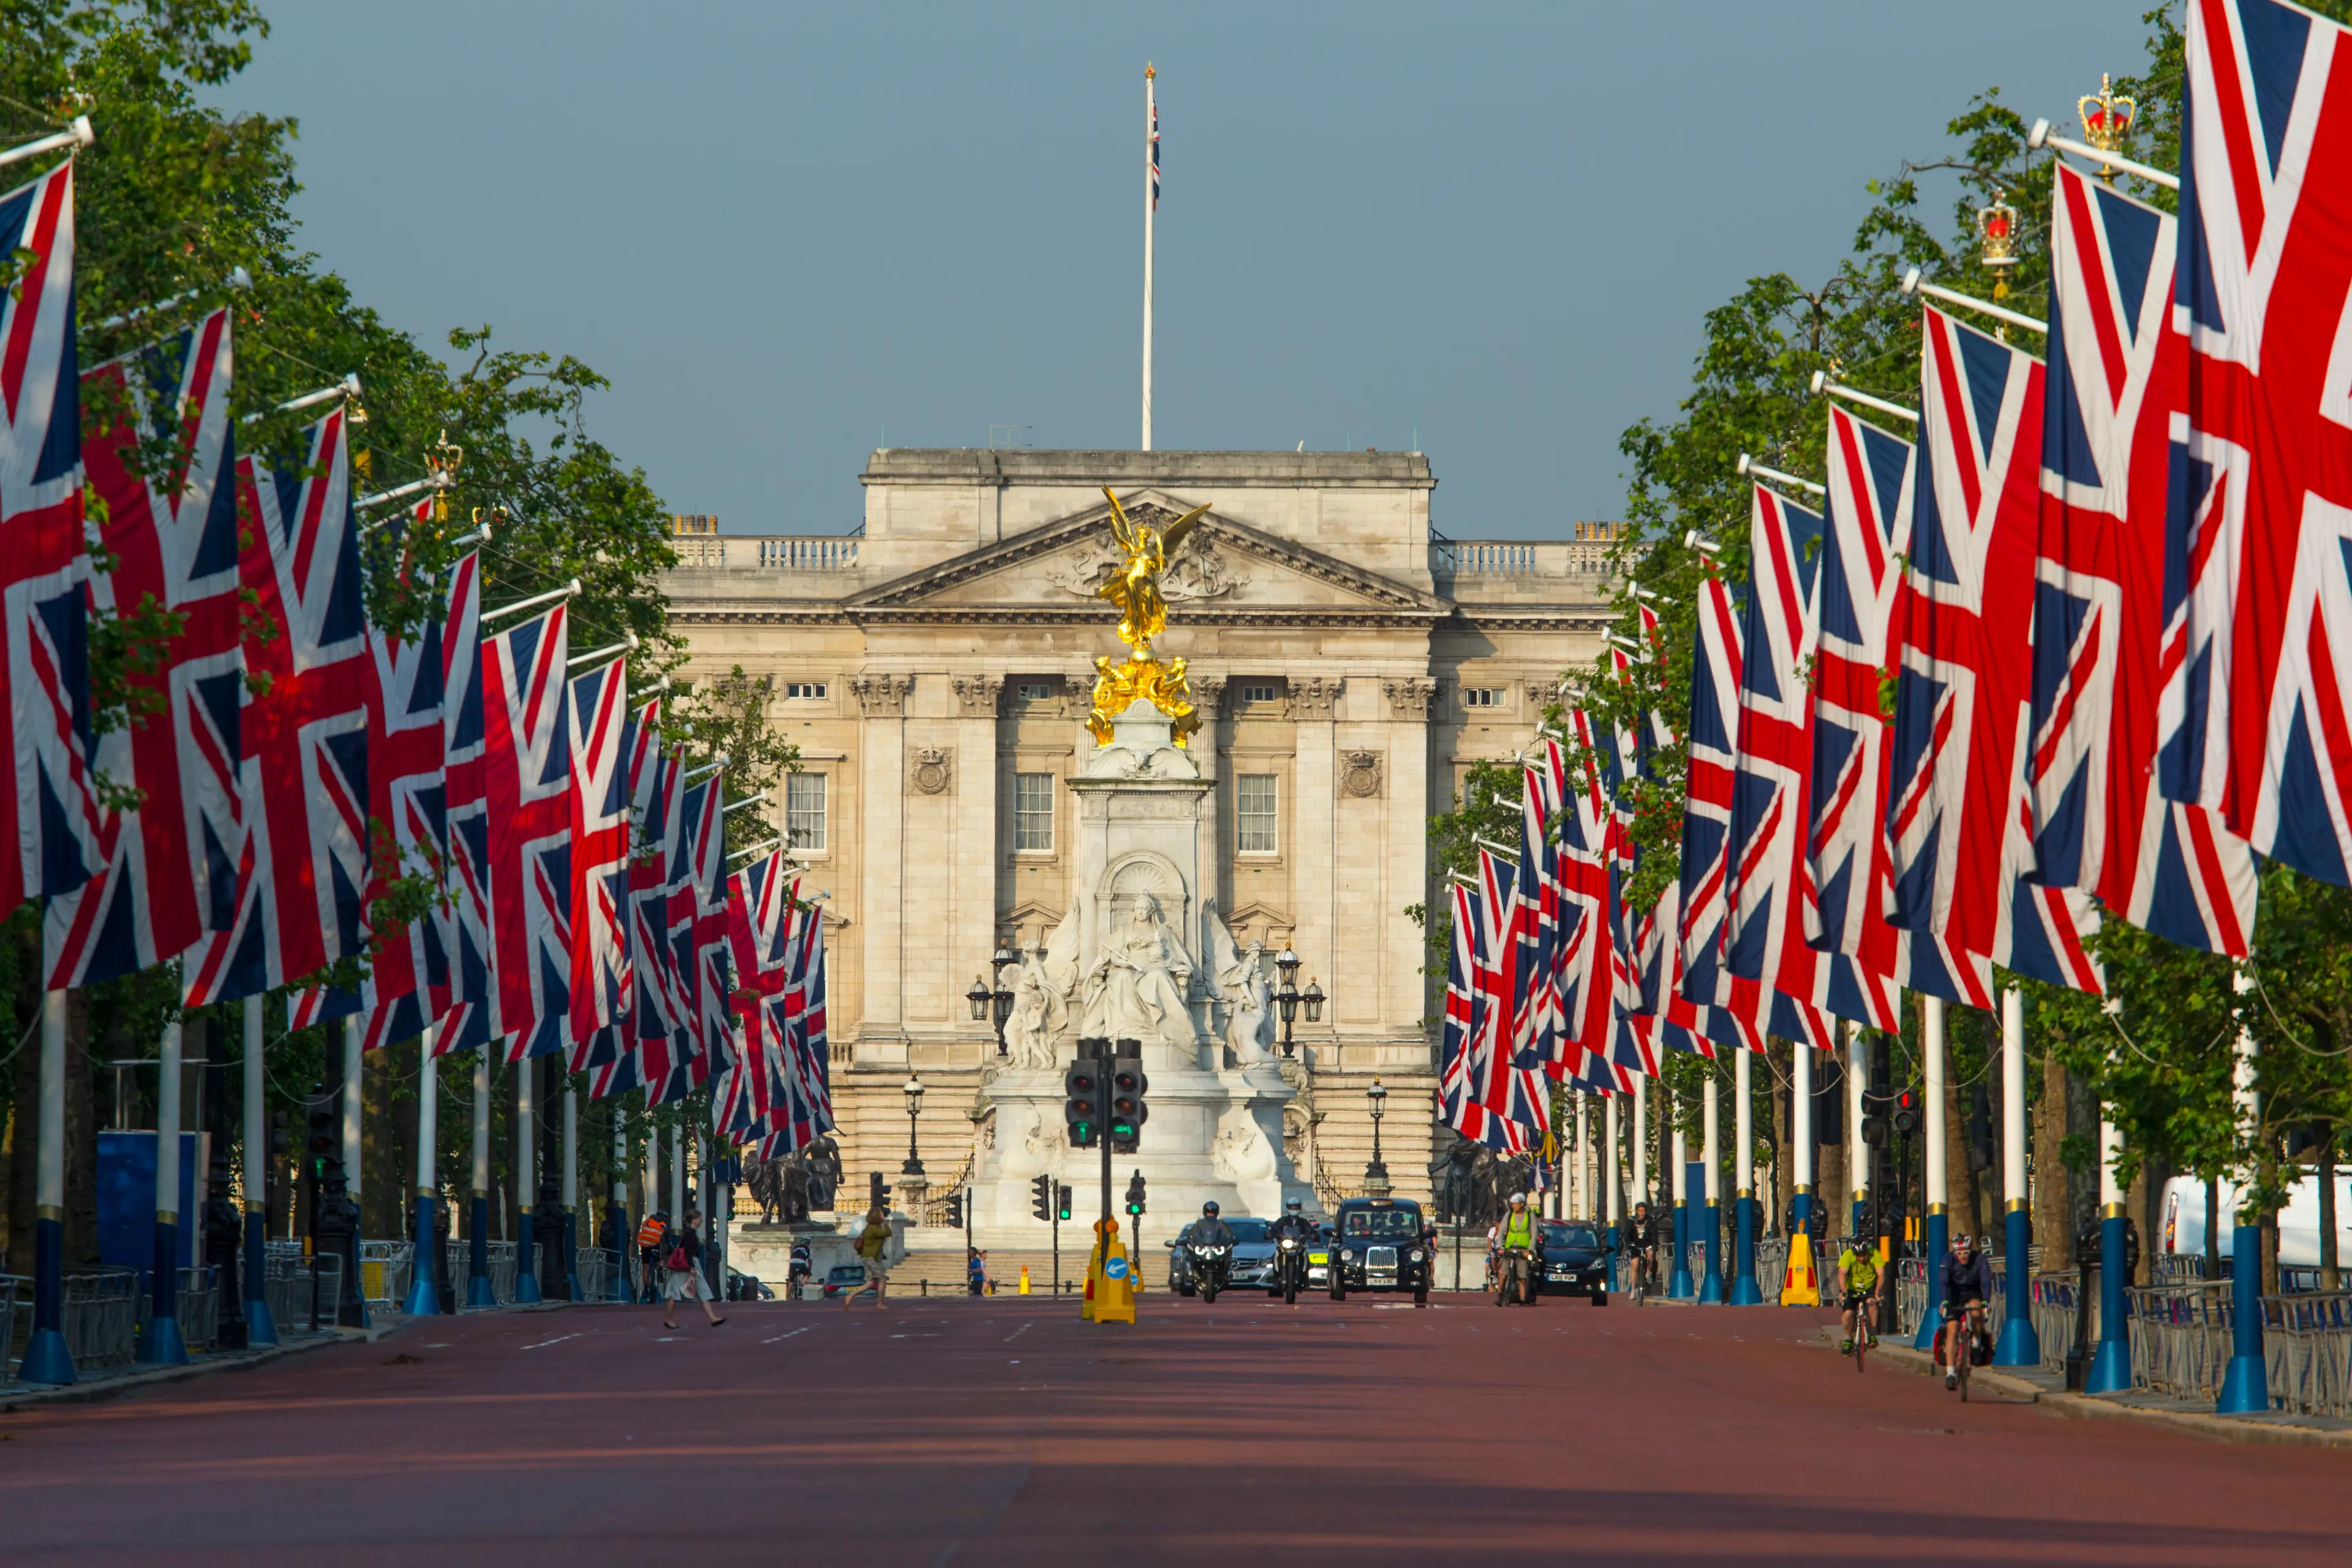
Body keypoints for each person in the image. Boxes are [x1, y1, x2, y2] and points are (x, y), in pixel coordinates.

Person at [1939, 1232, 1996, 1389]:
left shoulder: (1980, 1259)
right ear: (1954, 1253)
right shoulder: (1948, 1260)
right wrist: (1944, 1302)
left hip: (1972, 1292)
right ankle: (1950, 1373)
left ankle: (1976, 1340)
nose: (1963, 1257)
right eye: (1959, 1254)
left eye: (1966, 1253)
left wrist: (1985, 1302)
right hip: (1954, 1294)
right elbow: (1943, 1281)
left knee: (1976, 1311)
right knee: (1953, 1329)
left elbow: (1985, 1281)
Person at [661, 1207, 725, 1330]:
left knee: (700, 1290)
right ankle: (668, 1319)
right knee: (675, 1294)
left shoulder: (690, 1233)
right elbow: (688, 1252)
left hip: (689, 1265)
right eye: (700, 1218)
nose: (701, 1220)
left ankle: (712, 1317)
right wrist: (691, 1267)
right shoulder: (689, 1234)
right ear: (694, 1220)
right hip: (686, 1266)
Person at [1836, 1237, 1883, 1355]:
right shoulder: (1848, 1256)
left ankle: (1872, 1334)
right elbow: (1842, 1273)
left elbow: (1881, 1274)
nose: (1862, 1258)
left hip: (1869, 1286)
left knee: (1872, 1304)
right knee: (1848, 1314)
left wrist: (1878, 1292)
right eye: (1859, 1256)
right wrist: (1843, 1291)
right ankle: (1848, 1339)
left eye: (1864, 1255)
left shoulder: (1875, 1255)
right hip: (1852, 1288)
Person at [1494, 1192, 1538, 1303]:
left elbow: (1534, 1233)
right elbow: (1501, 1232)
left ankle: (1523, 1299)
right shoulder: (1509, 1215)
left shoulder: (1530, 1216)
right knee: (1503, 1273)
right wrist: (1501, 1247)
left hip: (1523, 1248)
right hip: (1509, 1247)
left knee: (1522, 1276)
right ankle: (1500, 1295)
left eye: (1515, 1204)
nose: (1513, 1206)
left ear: (1522, 1204)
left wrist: (1530, 1249)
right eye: (1512, 1204)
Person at [849, 1203, 893, 1311]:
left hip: (870, 1257)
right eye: (881, 1214)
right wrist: (885, 1222)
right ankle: (880, 1303)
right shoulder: (873, 1228)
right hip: (871, 1258)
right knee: (882, 1279)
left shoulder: (871, 1227)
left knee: (871, 1282)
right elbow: (888, 1233)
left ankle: (850, 1296)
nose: (883, 1216)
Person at [636, 1209, 669, 1306]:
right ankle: (660, 1268)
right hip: (655, 1246)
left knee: (645, 1267)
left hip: (644, 1246)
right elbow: (667, 1237)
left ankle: (646, 1288)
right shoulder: (662, 1224)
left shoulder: (647, 1222)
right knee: (663, 1253)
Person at [1623, 1202, 1657, 1297]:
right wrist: (1629, 1243)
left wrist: (1654, 1244)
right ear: (1637, 1212)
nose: (1642, 1213)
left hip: (1647, 1244)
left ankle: (1648, 1272)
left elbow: (1654, 1234)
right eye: (1640, 1211)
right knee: (1635, 1265)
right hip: (1635, 1245)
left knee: (1650, 1253)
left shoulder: (1650, 1221)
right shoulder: (1631, 1221)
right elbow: (1626, 1234)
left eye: (1644, 1211)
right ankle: (1633, 1290)